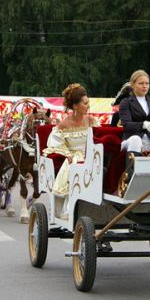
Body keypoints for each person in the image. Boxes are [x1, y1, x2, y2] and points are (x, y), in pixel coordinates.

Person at [43, 83, 98, 219]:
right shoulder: (64, 124)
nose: (88, 106)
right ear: (75, 106)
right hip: (74, 156)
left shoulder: (91, 120)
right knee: (74, 163)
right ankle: (67, 208)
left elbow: (98, 139)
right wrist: (67, 154)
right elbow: (56, 143)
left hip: (91, 155)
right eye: (85, 103)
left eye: (88, 103)